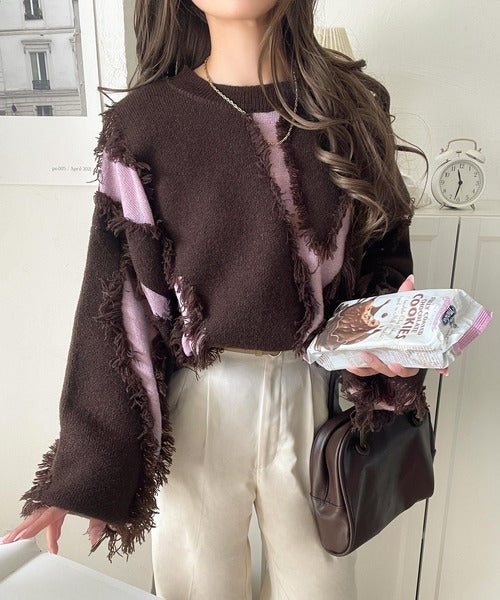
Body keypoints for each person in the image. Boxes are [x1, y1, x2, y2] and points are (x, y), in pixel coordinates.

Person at [1, 1, 448, 598]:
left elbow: (384, 264)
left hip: (314, 400)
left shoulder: (353, 108)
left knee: (322, 589)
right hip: (202, 407)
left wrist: (391, 345)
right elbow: (116, 306)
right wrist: (85, 473)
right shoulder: (143, 125)